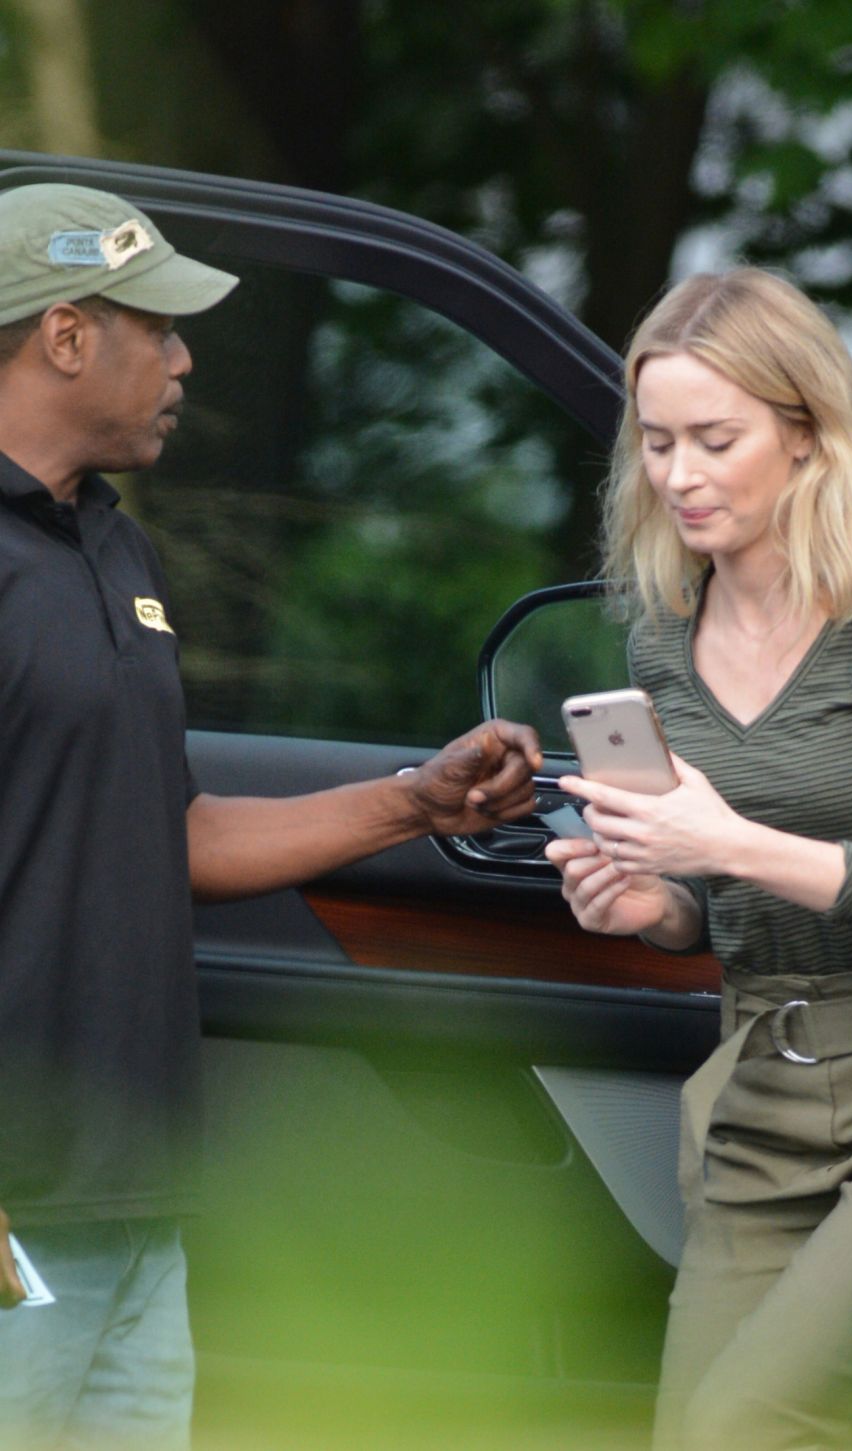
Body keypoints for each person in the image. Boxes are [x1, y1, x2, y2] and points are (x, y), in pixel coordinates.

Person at [0, 183, 542, 1450]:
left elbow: (171, 833)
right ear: (67, 335)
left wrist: (416, 800)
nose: (185, 358)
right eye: (160, 327)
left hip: (137, 1202)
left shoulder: (111, 548)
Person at [546, 268, 852, 1450]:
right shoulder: (664, 635)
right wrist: (654, 901)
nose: (681, 474)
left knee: (751, 1423)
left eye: (716, 438)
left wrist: (730, 842)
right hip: (757, 1084)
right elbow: (710, 902)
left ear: (806, 436)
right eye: (656, 442)